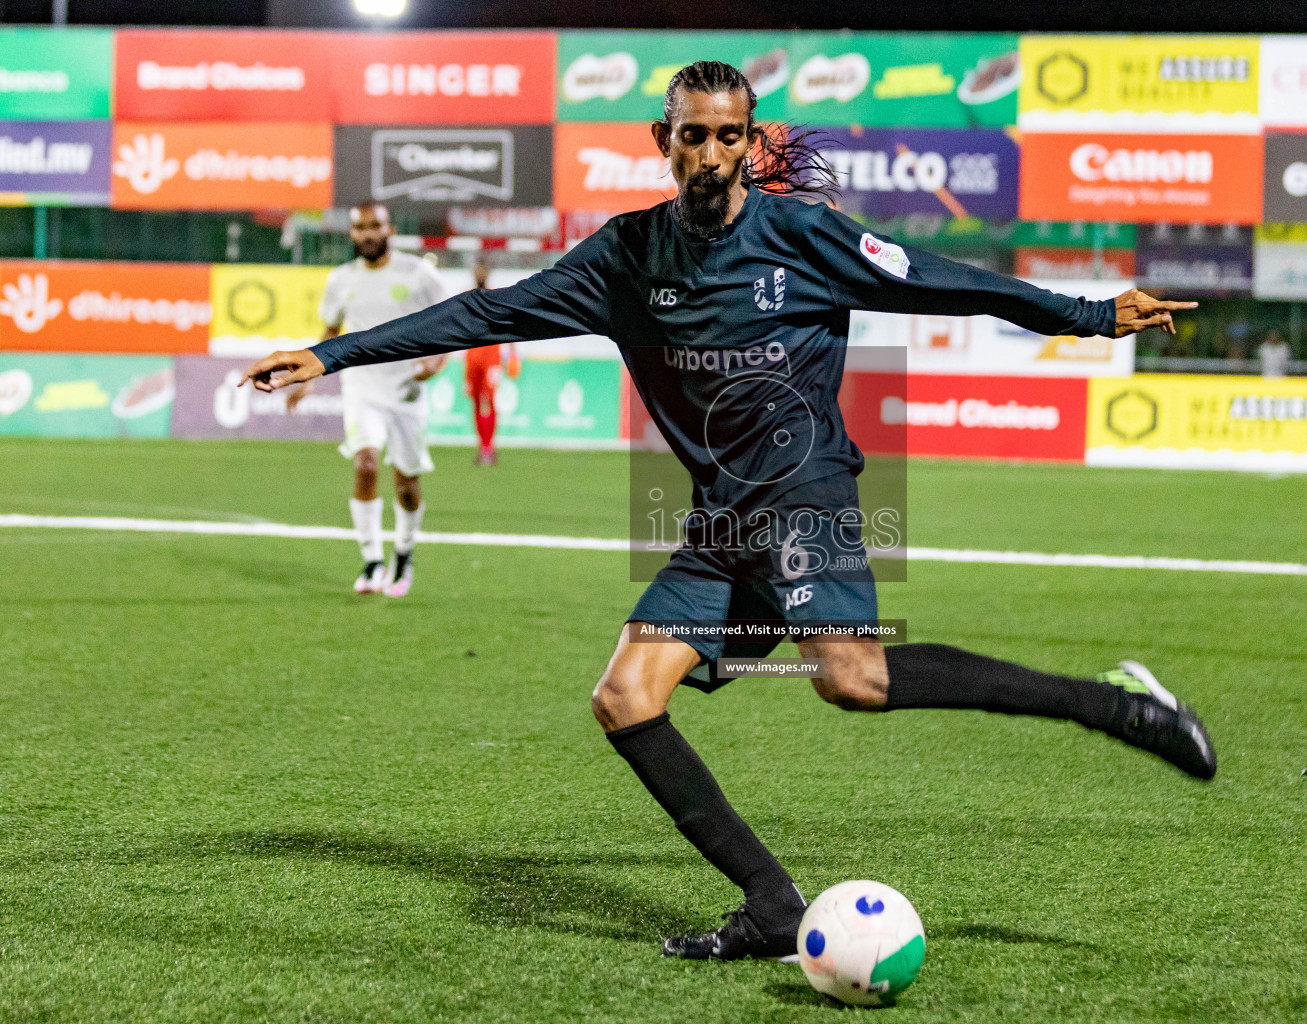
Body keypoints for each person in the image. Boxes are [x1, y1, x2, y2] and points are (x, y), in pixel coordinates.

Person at [243, 61, 1213, 962]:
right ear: (660, 138)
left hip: (807, 494)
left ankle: (1121, 705)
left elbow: (945, 280)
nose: (711, 153)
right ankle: (772, 906)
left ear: (751, 142)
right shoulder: (625, 255)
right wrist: (331, 355)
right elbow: (487, 313)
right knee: (625, 697)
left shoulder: (805, 235)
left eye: (729, 136)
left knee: (853, 680)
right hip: (721, 521)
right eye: (693, 136)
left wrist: (1091, 315)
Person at [287, 203, 448, 597]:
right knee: (365, 463)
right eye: (360, 227)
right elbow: (329, 329)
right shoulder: (341, 279)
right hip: (361, 387)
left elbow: (451, 319)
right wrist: (307, 378)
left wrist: (435, 363)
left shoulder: (418, 273)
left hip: (406, 390)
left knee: (407, 484)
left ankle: (404, 554)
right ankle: (373, 560)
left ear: (390, 229)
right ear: (352, 234)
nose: (368, 233)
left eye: (375, 225)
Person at [462, 257, 521, 466]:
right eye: (478, 270)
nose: (480, 274)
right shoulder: (466, 298)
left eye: (483, 270)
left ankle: (488, 447)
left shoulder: (495, 297)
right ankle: (483, 446)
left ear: (487, 273)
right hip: (471, 357)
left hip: (491, 357)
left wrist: (513, 353)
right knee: (477, 402)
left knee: (488, 400)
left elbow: (508, 325)